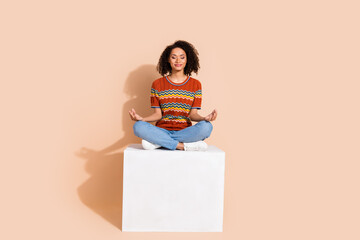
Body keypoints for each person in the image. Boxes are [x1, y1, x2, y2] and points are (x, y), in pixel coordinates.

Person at [129, 40, 217, 151]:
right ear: (168, 60)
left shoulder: (196, 85)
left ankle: (159, 142)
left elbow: (193, 115)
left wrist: (204, 118)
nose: (178, 60)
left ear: (187, 60)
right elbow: (158, 115)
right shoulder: (157, 84)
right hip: (162, 130)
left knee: (207, 126)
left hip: (185, 131)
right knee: (138, 126)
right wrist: (142, 119)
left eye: (182, 57)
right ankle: (181, 146)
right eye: (174, 57)